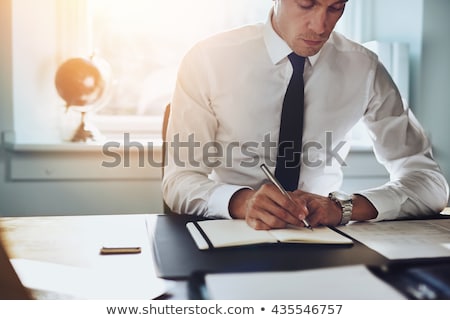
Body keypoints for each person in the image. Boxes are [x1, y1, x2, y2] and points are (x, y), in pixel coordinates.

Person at [162, 0, 449, 230]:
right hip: (227, 231)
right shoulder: (208, 59)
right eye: (307, 4)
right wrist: (241, 201)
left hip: (322, 237)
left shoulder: (364, 68)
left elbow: (430, 183)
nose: (320, 26)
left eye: (335, 7)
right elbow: (179, 181)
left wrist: (343, 208)